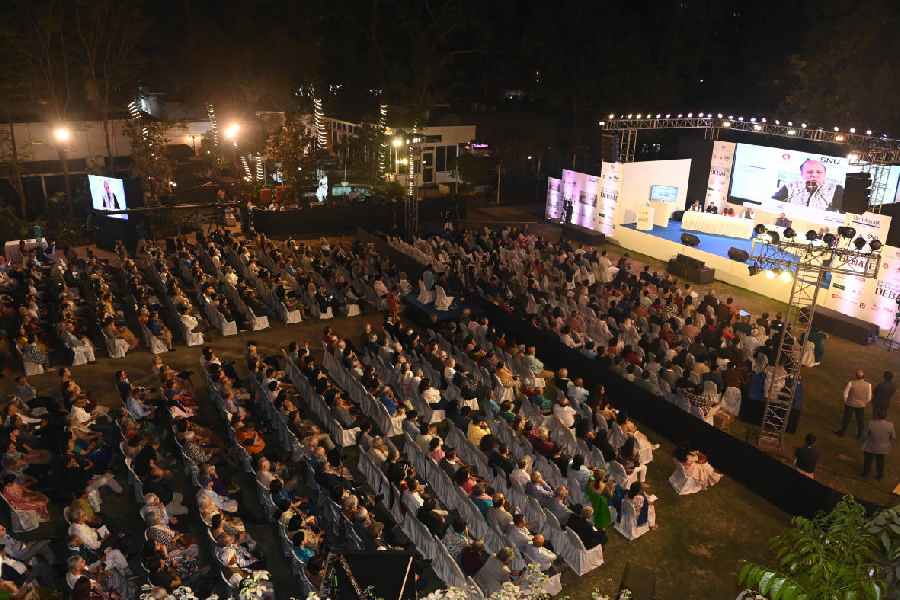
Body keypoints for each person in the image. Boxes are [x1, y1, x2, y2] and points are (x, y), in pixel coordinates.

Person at [772, 159, 844, 211]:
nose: (814, 175)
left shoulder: (836, 190)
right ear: (802, 174)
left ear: (825, 174)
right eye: (809, 172)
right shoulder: (790, 187)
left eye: (819, 172)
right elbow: (773, 205)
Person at [836, 369, 871, 439]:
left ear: (856, 376)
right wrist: (864, 403)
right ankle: (859, 434)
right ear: (864, 376)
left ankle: (842, 432)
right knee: (860, 420)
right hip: (861, 405)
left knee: (846, 418)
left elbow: (845, 393)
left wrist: (846, 401)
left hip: (850, 404)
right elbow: (869, 397)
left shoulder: (851, 383)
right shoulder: (868, 385)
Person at [862, 408, 895, 480]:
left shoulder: (871, 423)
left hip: (871, 445)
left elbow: (865, 434)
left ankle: (865, 473)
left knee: (868, 460)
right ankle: (879, 475)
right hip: (883, 448)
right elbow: (893, 437)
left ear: (877, 415)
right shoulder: (890, 425)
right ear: (885, 416)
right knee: (880, 461)